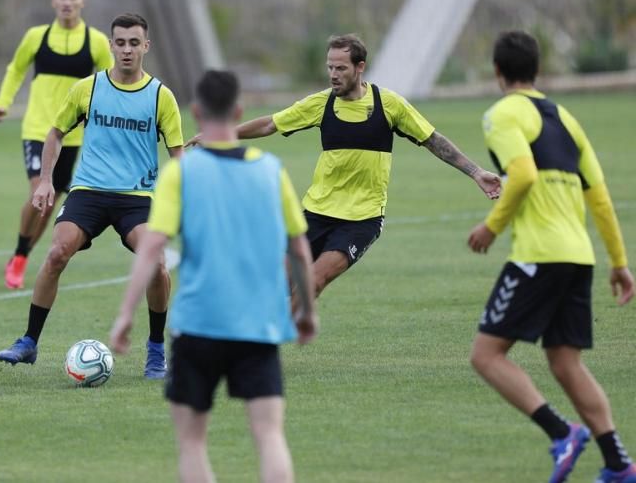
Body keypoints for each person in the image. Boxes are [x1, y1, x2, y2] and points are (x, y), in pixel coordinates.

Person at [110, 70, 318, 483]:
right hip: (258, 325)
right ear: (239, 111)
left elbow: (152, 247)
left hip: (198, 324)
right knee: (269, 434)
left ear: (196, 112)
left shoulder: (181, 174)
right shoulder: (271, 170)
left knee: (192, 443)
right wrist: (307, 311)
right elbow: (298, 248)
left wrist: (126, 314)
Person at [194, 33, 502, 297]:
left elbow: (433, 140)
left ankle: (264, 345)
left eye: (340, 67)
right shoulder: (321, 103)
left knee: (314, 281)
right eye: (330, 67)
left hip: (361, 218)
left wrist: (476, 172)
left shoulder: (388, 104)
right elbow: (270, 125)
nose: (333, 74)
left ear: (360, 67)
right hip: (316, 212)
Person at [467, 30, 636, 483]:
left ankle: (562, 433)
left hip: (539, 254)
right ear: (538, 71)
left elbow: (520, 175)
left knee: (486, 355)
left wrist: (491, 227)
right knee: (565, 362)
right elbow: (599, 198)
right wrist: (619, 263)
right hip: (579, 256)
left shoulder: (502, 114)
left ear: (498, 72)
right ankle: (619, 465)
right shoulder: (566, 117)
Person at [0, 12, 183, 378]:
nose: (127, 50)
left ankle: (157, 351)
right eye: (120, 42)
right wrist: (47, 181)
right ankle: (29, 341)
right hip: (89, 191)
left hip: (137, 197)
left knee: (157, 264)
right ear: (110, 45)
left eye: (134, 43)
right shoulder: (89, 88)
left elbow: (179, 157)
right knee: (56, 253)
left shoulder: (161, 96)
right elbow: (54, 134)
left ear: (146, 46)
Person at [0, 0, 113, 290]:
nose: (67, 2)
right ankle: (19, 255)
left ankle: (24, 252)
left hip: (71, 135)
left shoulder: (96, 42)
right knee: (37, 193)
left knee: (49, 201)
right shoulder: (37, 37)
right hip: (37, 129)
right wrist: (3, 103)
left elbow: (113, 83)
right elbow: (16, 69)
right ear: (53, 2)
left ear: (82, 1)